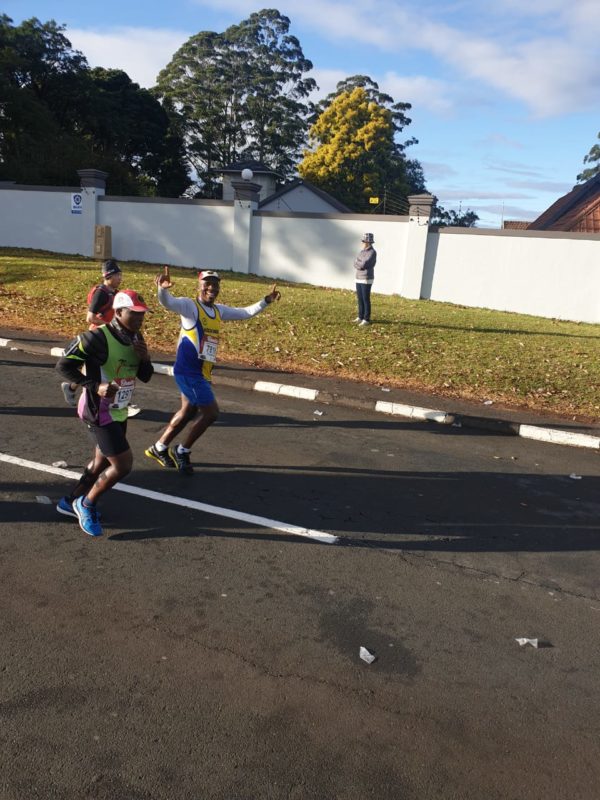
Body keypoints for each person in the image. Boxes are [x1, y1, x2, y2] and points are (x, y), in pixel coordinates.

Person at [145, 267, 281, 474]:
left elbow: (244, 313)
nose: (211, 288)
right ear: (198, 286)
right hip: (189, 372)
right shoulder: (190, 307)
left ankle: (159, 447)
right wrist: (162, 289)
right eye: (207, 284)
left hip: (202, 372)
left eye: (215, 285)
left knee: (188, 411)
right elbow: (168, 303)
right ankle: (182, 451)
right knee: (211, 413)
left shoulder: (218, 311)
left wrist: (266, 301)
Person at [55, 289, 153, 537]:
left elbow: (146, 376)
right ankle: (86, 503)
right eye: (134, 313)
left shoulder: (135, 337)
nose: (140, 318)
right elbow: (63, 366)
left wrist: (144, 358)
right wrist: (95, 385)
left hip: (119, 410)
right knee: (123, 465)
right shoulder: (96, 338)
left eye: (142, 314)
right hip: (98, 411)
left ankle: (69, 501)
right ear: (118, 312)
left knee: (102, 461)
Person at [60, 259, 123, 407]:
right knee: (108, 367)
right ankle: (115, 402)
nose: (120, 278)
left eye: (120, 275)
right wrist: (110, 326)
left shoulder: (114, 293)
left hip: (109, 335)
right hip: (98, 336)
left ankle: (71, 388)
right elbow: (90, 317)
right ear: (109, 276)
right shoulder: (101, 293)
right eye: (117, 275)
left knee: (94, 369)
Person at [353, 232, 377, 326]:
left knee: (365, 299)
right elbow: (355, 262)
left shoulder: (372, 252)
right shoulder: (362, 251)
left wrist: (358, 263)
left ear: (368, 242)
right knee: (360, 298)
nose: (362, 243)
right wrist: (359, 263)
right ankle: (360, 316)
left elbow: (364, 264)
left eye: (364, 241)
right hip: (358, 277)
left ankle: (366, 319)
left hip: (366, 278)